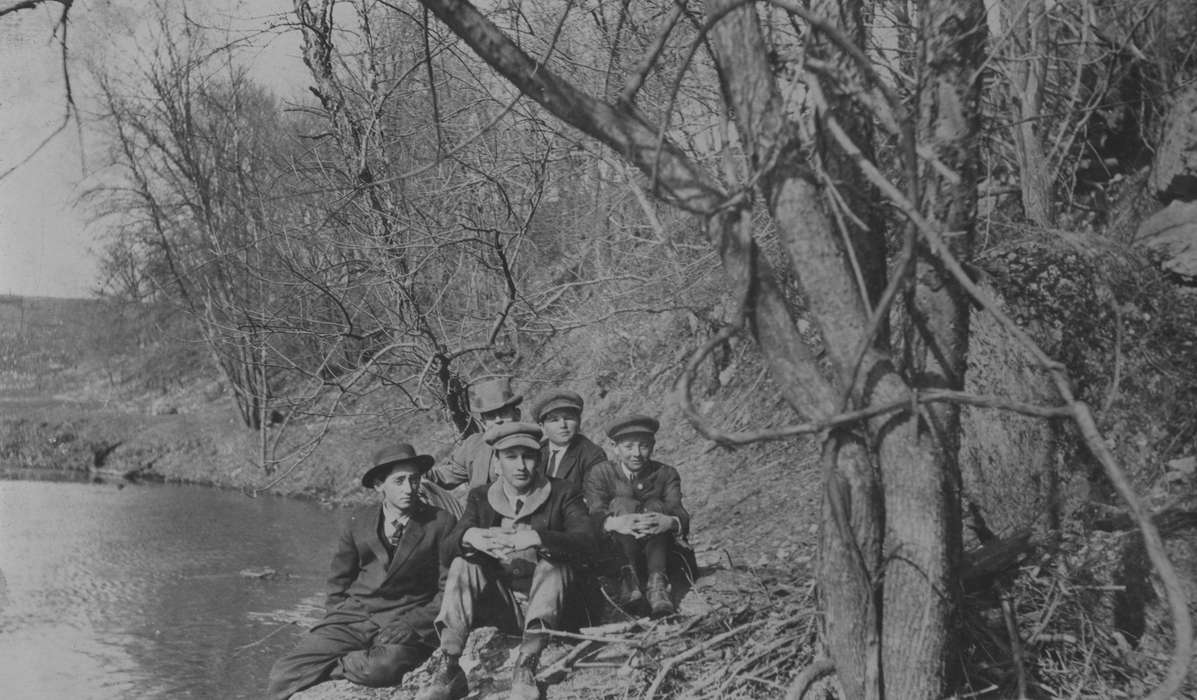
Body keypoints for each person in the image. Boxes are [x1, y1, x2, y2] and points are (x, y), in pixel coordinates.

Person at [417, 422, 595, 700]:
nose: (521, 465)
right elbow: (446, 552)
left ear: (539, 460)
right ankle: (450, 663)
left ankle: (526, 665)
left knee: (555, 564)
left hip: (555, 610)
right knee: (464, 563)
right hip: (505, 608)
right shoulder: (481, 497)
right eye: (511, 457)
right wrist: (469, 536)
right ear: (497, 462)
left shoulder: (563, 492)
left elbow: (588, 543)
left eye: (528, 456)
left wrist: (538, 538)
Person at [266, 443, 457, 700]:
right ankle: (337, 659)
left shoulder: (440, 522)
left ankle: (336, 664)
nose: (409, 488)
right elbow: (339, 580)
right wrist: (335, 620)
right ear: (380, 485)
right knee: (283, 673)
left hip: (403, 621)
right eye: (399, 481)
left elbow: (449, 589)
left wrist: (414, 623)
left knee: (384, 668)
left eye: (414, 480)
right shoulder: (359, 520)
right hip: (354, 618)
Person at [584, 415, 690, 617]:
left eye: (643, 446)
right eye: (628, 447)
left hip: (659, 550)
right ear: (615, 448)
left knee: (655, 506)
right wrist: (616, 522)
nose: (636, 454)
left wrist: (669, 522)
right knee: (622, 503)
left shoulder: (666, 473)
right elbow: (595, 513)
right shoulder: (601, 473)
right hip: (618, 552)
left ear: (652, 446)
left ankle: (657, 585)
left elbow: (679, 511)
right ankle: (629, 581)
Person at [425, 377, 522, 495]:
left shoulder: (536, 443)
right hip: (479, 510)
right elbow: (445, 477)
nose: (498, 420)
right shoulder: (474, 445)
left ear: (517, 414)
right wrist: (415, 470)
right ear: (484, 422)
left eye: (503, 413)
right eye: (491, 416)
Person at [532, 389, 607, 493]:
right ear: (542, 427)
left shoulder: (592, 455)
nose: (563, 425)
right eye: (554, 420)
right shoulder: (535, 451)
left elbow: (596, 499)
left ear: (578, 422)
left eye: (568, 418)